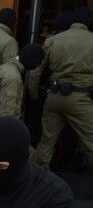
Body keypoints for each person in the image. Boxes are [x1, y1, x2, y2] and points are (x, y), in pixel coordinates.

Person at [28, 6, 93, 171]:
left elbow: (35, 73)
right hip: (81, 98)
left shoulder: (52, 40)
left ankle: (38, 183)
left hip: (54, 98)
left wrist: (34, 97)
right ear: (89, 22)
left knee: (46, 143)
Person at [0, 43, 45, 121]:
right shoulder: (13, 77)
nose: (37, 66)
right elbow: (6, 113)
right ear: (32, 60)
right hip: (1, 126)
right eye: (37, 63)